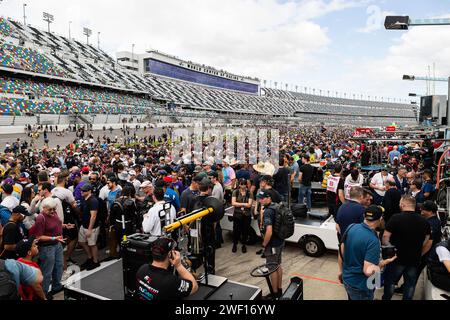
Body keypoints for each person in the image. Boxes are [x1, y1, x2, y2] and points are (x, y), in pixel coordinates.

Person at [338, 205, 397, 300]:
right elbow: (368, 271)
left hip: (347, 279)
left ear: (364, 217)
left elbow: (341, 251)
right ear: (380, 219)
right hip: (360, 286)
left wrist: (341, 271)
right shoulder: (372, 241)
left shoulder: (351, 227)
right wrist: (383, 263)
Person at [382, 195, 433, 300]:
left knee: (391, 282)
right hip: (414, 259)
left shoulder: (395, 218)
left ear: (402, 204)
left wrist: (389, 250)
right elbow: (428, 240)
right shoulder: (424, 221)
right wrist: (419, 251)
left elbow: (385, 236)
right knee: (410, 284)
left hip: (396, 258)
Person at [29, 197, 66, 299]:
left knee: (59, 266)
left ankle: (56, 286)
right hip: (47, 247)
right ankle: (43, 293)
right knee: (47, 271)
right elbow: (38, 237)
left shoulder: (53, 213)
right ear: (43, 208)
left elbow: (56, 224)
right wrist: (54, 238)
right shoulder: (41, 218)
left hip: (57, 244)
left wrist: (64, 226)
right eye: (50, 209)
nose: (53, 211)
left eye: (54, 209)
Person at [51, 174, 79, 280]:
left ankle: (65, 259)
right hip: (63, 217)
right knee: (72, 237)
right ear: (64, 181)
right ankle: (65, 260)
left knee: (61, 242)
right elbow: (74, 205)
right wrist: (79, 215)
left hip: (53, 219)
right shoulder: (66, 191)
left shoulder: (53, 190)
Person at [258, 189, 284, 299]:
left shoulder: (268, 211)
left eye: (263, 198)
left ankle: (274, 294)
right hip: (280, 242)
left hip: (272, 244)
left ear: (269, 198)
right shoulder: (276, 206)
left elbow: (269, 231)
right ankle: (279, 289)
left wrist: (264, 244)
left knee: (272, 268)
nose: (261, 200)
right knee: (278, 265)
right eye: (260, 198)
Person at [78, 183, 101, 271]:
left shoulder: (93, 201)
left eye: (84, 191)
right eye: (81, 190)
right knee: (82, 242)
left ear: (89, 191)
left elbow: (93, 216)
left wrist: (90, 229)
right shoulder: (85, 198)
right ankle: (90, 257)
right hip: (84, 225)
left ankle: (95, 261)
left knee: (92, 244)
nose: (81, 192)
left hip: (91, 227)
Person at [231, 179, 253, 254]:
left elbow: (249, 204)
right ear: (239, 184)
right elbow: (233, 203)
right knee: (236, 230)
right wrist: (244, 204)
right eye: (241, 184)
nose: (243, 185)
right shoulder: (235, 192)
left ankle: (244, 245)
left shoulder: (249, 193)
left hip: (246, 215)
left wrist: (239, 204)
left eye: (244, 184)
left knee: (245, 231)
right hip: (237, 214)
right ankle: (235, 244)